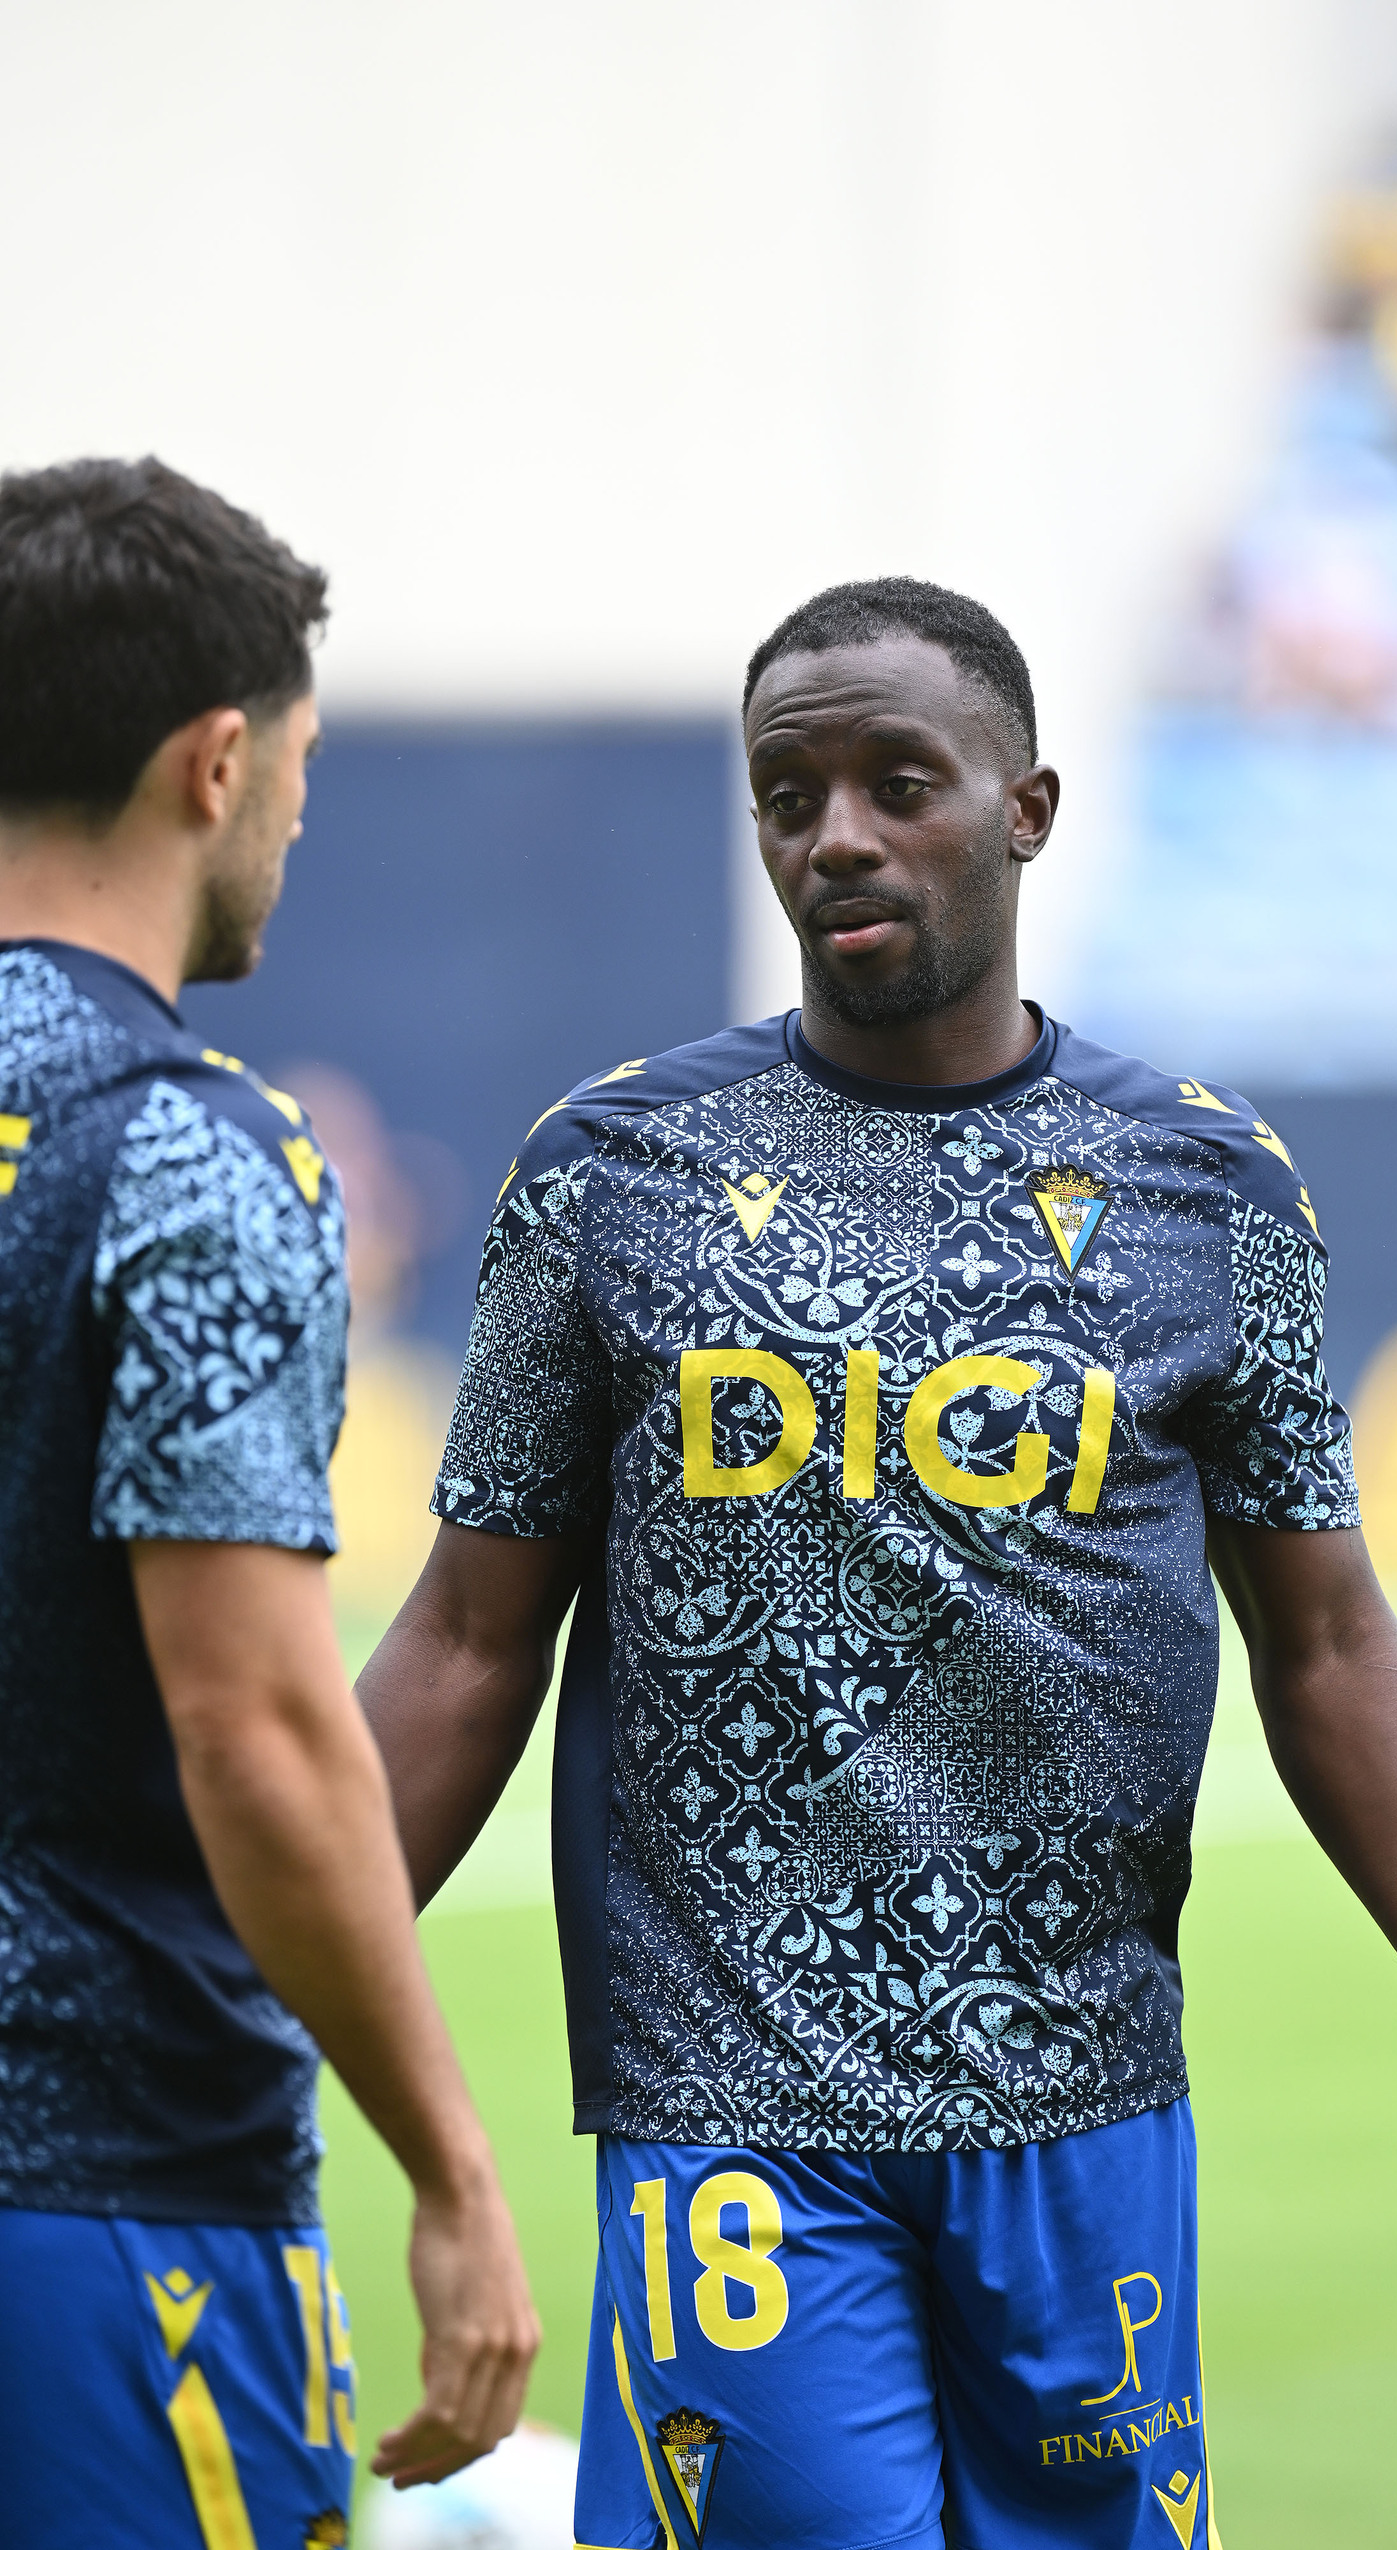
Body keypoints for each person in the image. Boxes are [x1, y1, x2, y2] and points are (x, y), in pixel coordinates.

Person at [359, 576, 1397, 2550]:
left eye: (899, 783)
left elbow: (1327, 1640)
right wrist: (245, 1979)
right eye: (790, 795)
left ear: (1028, 809)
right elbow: (471, 1640)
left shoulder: (1204, 1183)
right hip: (734, 2106)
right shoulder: (611, 1175)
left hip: (1086, 2106)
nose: (838, 836)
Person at [0, 457, 539, 2550]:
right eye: (299, 770)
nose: (296, 822)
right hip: (103, 2187)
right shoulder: (190, 1154)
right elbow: (252, 1723)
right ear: (214, 761)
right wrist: (451, 2163)